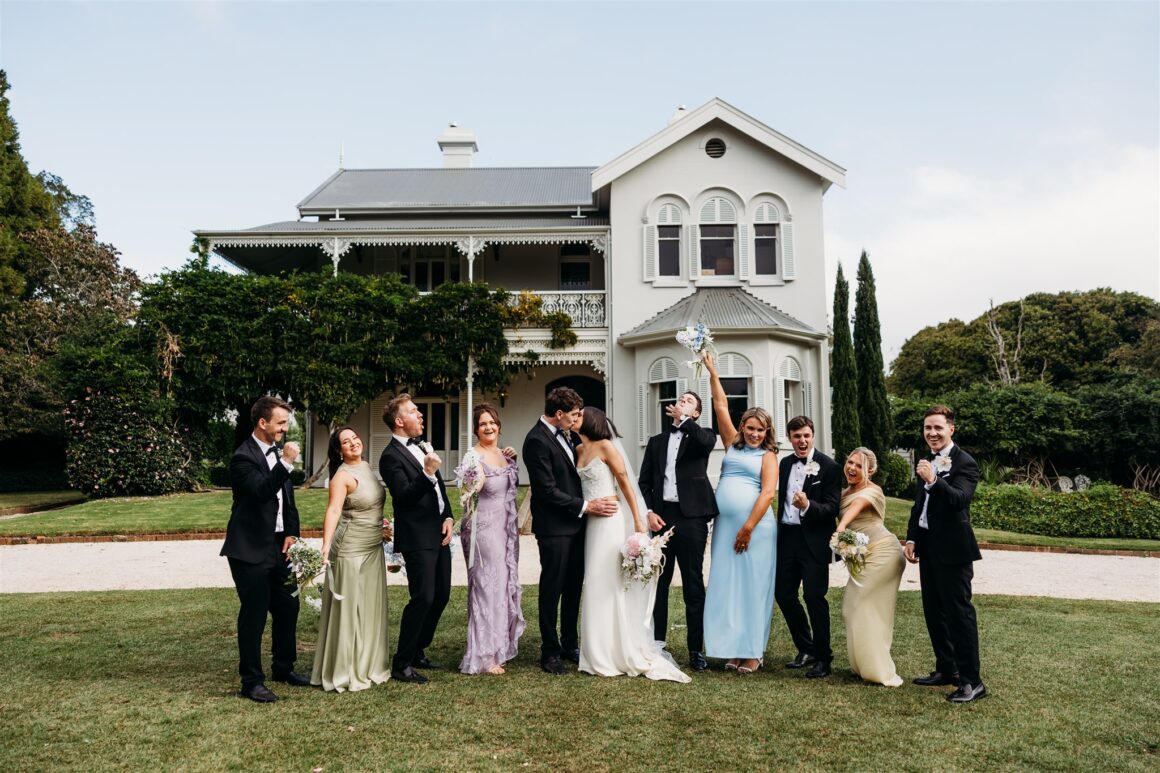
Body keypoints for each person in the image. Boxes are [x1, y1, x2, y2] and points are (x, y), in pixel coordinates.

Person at [575, 406, 691, 683]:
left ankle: (615, 650)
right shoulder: (578, 449)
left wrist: (638, 519)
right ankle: (595, 651)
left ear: (590, 421)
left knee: (609, 581)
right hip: (591, 521)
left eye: (579, 415)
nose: (574, 418)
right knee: (593, 581)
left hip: (611, 520)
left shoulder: (606, 446)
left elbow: (625, 481)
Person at [522, 386, 619, 675]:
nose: (577, 419)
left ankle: (569, 643)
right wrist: (587, 506)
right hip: (554, 527)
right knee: (552, 588)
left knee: (574, 586)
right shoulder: (536, 440)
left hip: (577, 525)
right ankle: (550, 651)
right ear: (559, 413)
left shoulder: (566, 435)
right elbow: (547, 490)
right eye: (574, 414)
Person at [220, 395, 309, 702]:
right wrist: (286, 462)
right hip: (250, 547)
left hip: (279, 545)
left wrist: (292, 533)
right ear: (262, 423)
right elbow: (260, 492)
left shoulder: (277, 454)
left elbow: (288, 501)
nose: (285, 428)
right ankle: (251, 681)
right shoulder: (242, 457)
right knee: (254, 613)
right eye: (281, 423)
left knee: (288, 606)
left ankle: (283, 668)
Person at [702, 352, 780, 674]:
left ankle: (753, 652)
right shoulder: (732, 443)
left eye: (760, 430)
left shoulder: (768, 456)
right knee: (727, 586)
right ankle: (733, 649)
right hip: (725, 527)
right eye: (750, 428)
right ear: (743, 427)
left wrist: (747, 527)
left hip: (755, 529)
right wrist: (712, 371)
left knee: (753, 587)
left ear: (767, 431)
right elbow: (720, 405)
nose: (754, 434)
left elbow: (768, 493)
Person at [904, 405, 986, 703]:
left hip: (954, 550)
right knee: (934, 612)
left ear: (951, 428)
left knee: (958, 615)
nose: (932, 433)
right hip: (929, 547)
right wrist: (912, 537)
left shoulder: (966, 462)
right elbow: (920, 505)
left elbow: (959, 500)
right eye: (928, 428)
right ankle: (946, 669)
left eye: (938, 427)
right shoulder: (925, 459)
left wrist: (934, 480)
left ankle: (972, 682)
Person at [638, 390, 717, 672]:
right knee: (659, 583)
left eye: (689, 401)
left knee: (693, 584)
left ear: (696, 413)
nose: (682, 401)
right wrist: (649, 512)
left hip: (692, 518)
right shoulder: (656, 442)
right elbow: (644, 482)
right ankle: (657, 643)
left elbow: (706, 442)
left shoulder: (702, 436)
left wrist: (685, 421)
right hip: (662, 518)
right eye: (681, 399)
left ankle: (696, 649)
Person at [310, 426, 391, 692]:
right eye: (346, 442)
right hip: (350, 547)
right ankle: (344, 669)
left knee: (369, 606)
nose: (354, 443)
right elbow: (334, 510)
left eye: (355, 438)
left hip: (373, 545)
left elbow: (370, 504)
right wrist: (325, 544)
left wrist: (382, 526)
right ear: (339, 450)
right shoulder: (341, 476)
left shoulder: (366, 466)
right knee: (349, 608)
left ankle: (368, 663)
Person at [380, 394, 453, 685]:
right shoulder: (389, 457)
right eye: (413, 411)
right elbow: (404, 497)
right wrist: (427, 471)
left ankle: (418, 650)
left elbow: (439, 491)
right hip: (417, 535)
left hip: (439, 531)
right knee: (422, 598)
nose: (420, 415)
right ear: (399, 421)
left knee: (441, 595)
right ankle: (402, 663)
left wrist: (448, 516)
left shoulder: (422, 446)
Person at [458, 404, 525, 675]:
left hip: (504, 528)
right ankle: (484, 655)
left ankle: (499, 647)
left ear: (499, 425)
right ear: (476, 429)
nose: (488, 427)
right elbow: (465, 495)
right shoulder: (472, 456)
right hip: (482, 528)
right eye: (483, 423)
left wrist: (513, 461)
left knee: (502, 585)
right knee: (487, 587)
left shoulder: (502, 454)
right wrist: (475, 480)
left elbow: (511, 487)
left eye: (492, 422)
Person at [773, 416, 841, 679]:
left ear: (812, 436)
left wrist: (808, 506)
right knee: (784, 595)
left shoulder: (829, 467)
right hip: (787, 539)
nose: (802, 441)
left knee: (814, 597)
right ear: (790, 438)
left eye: (806, 436)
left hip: (813, 542)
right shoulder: (784, 463)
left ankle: (823, 658)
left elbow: (832, 508)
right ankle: (806, 648)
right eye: (797, 436)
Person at [834, 447, 904, 687]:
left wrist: (841, 527)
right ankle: (862, 666)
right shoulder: (843, 492)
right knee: (851, 607)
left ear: (870, 471)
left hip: (884, 553)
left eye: (859, 466)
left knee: (862, 603)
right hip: (864, 556)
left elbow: (857, 507)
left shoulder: (873, 491)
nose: (852, 468)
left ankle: (878, 671)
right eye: (850, 462)